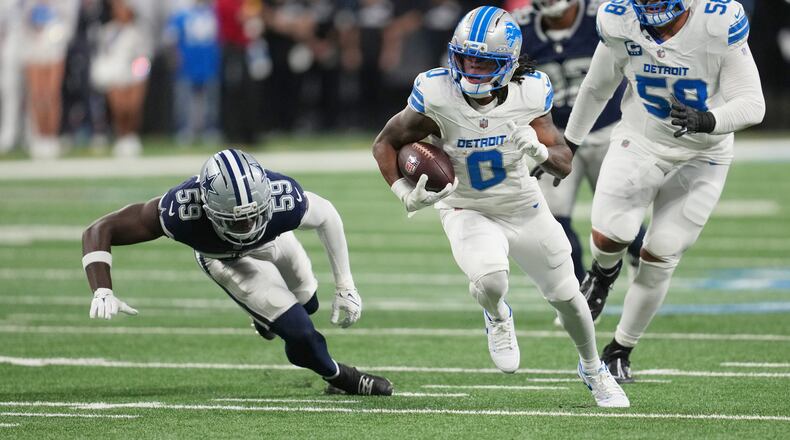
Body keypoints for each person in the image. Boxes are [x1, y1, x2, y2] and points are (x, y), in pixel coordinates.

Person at [372, 6, 628, 407]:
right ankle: (496, 314)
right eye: (465, 58)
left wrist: (539, 150)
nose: (471, 69)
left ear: (507, 65)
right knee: (491, 278)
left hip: (522, 204)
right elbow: (384, 142)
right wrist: (402, 191)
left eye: (483, 61)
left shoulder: (530, 92)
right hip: (465, 206)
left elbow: (563, 161)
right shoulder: (436, 93)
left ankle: (594, 369)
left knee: (570, 299)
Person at [81, 148, 393, 396]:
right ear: (208, 208)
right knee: (299, 331)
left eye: (253, 216)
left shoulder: (283, 196)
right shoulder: (181, 211)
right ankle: (340, 376)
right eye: (235, 220)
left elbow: (327, 216)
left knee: (309, 303)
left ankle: (266, 321)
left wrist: (345, 285)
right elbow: (100, 228)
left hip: (274, 240)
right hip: (223, 259)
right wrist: (102, 288)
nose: (246, 227)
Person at [564, 0, 765, 383]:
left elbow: (753, 103)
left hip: (704, 153)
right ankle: (603, 274)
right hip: (640, 140)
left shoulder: (718, 20)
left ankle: (620, 349)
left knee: (661, 253)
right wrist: (570, 143)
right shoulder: (618, 17)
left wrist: (709, 119)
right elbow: (596, 86)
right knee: (610, 234)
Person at [517, 0, 646, 291]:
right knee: (551, 222)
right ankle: (578, 293)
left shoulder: (602, 18)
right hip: (553, 138)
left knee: (620, 221)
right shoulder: (520, 28)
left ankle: (641, 259)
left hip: (608, 131)